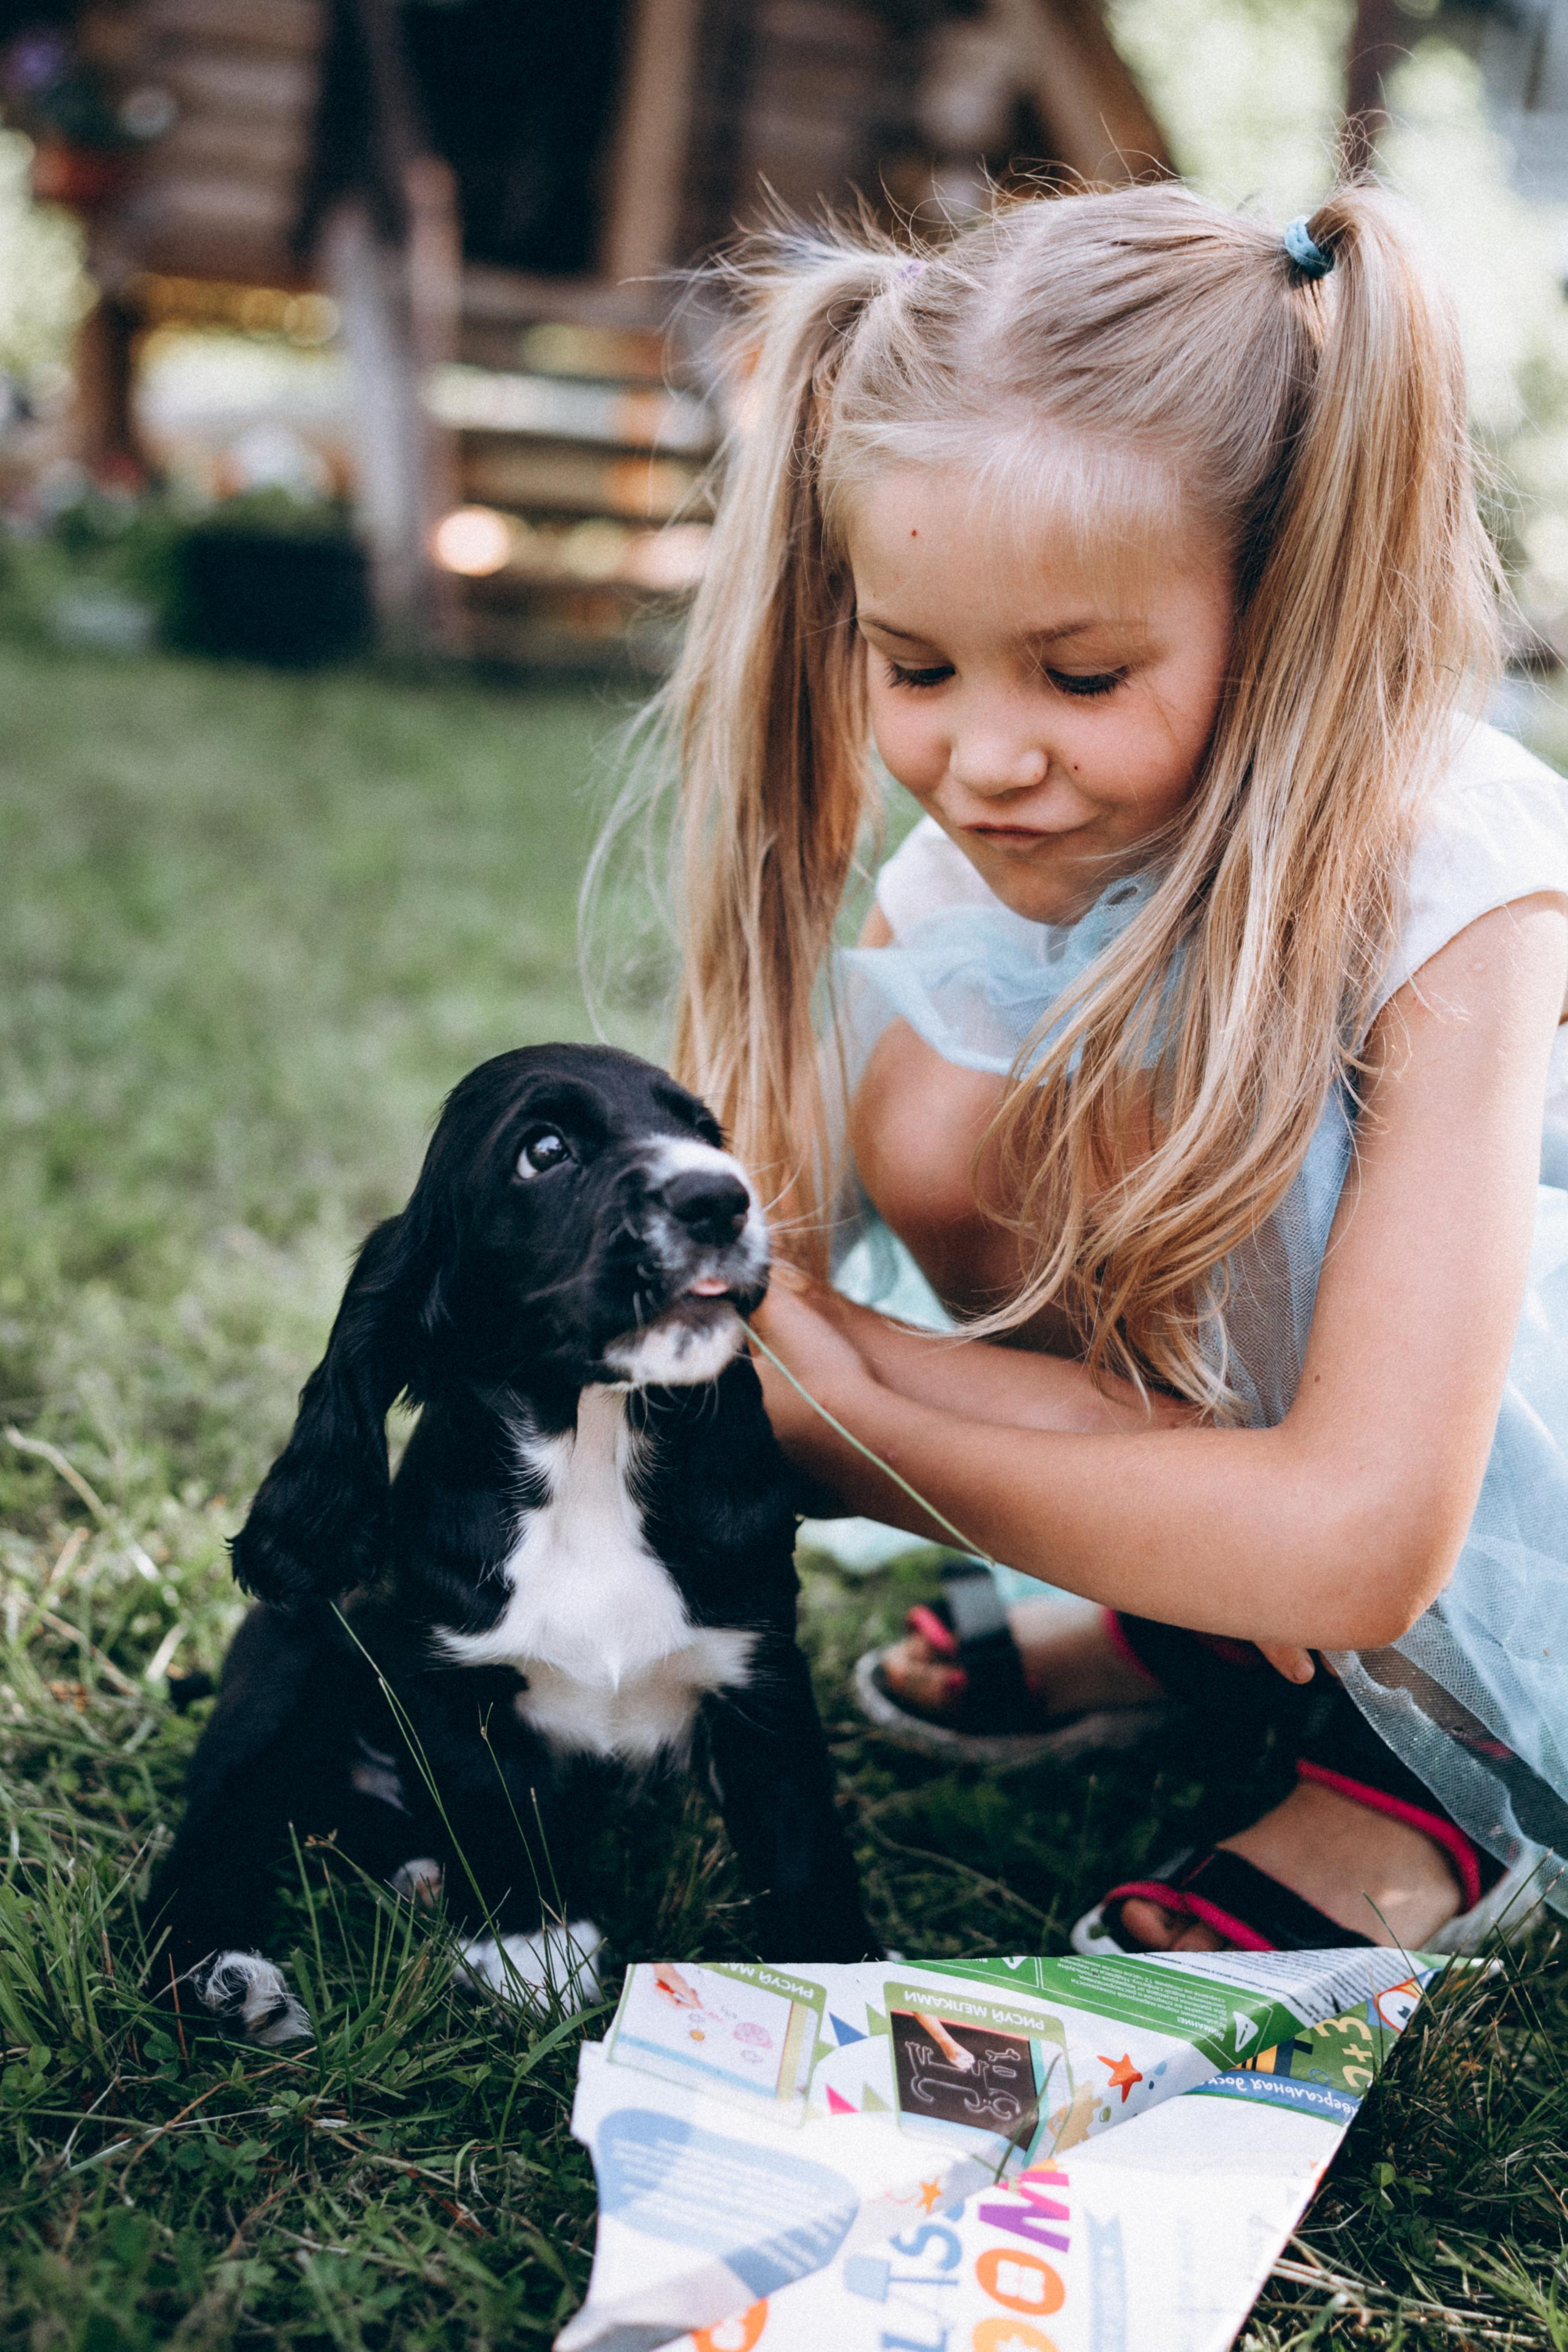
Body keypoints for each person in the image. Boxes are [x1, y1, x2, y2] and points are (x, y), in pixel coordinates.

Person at [629, 182, 1568, 1954]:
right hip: (1290, 1440)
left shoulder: (1460, 881)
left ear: (1286, 605)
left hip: (1497, 1463)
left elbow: (1377, 1529)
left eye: (1079, 673)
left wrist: (856, 1429)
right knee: (941, 1118)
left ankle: (1438, 1780)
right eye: (916, 664)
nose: (986, 757)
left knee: (1077, 1159)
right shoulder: (1013, 852)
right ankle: (1200, 1611)